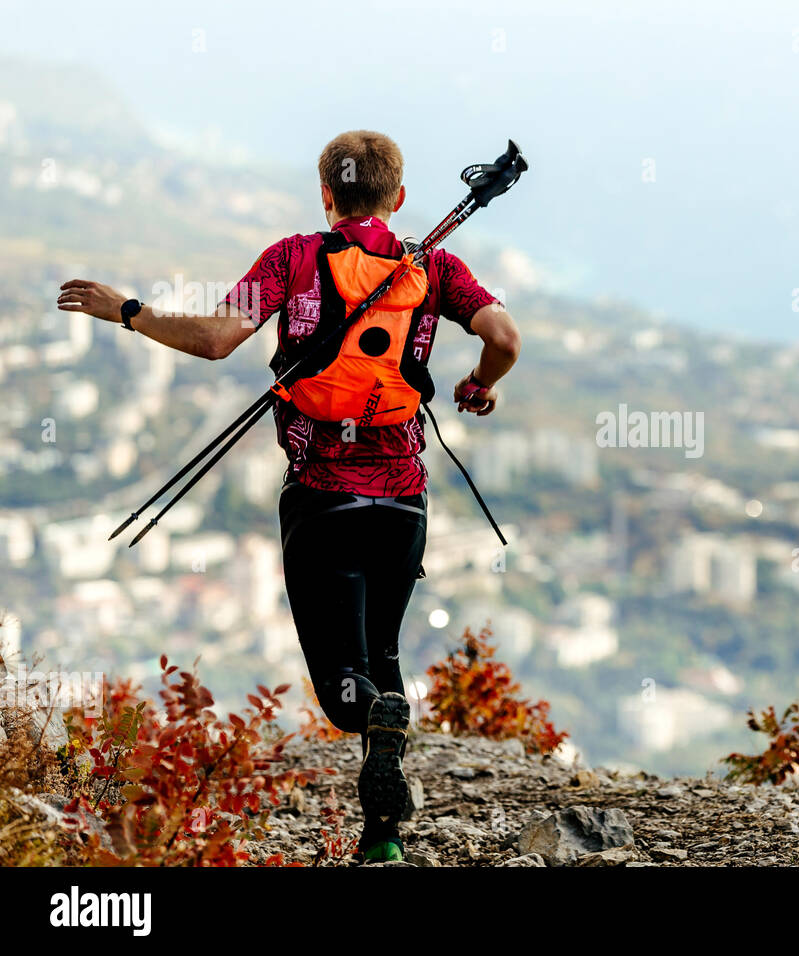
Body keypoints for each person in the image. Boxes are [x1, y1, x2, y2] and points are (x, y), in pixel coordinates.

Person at [56, 130, 522, 863]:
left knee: (344, 683)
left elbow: (215, 339)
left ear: (327, 196)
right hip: (403, 499)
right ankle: (383, 843)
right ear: (397, 199)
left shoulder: (291, 259)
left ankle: (370, 718)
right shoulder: (436, 267)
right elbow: (505, 335)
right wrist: (479, 385)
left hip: (321, 499)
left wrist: (129, 310)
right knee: (384, 654)